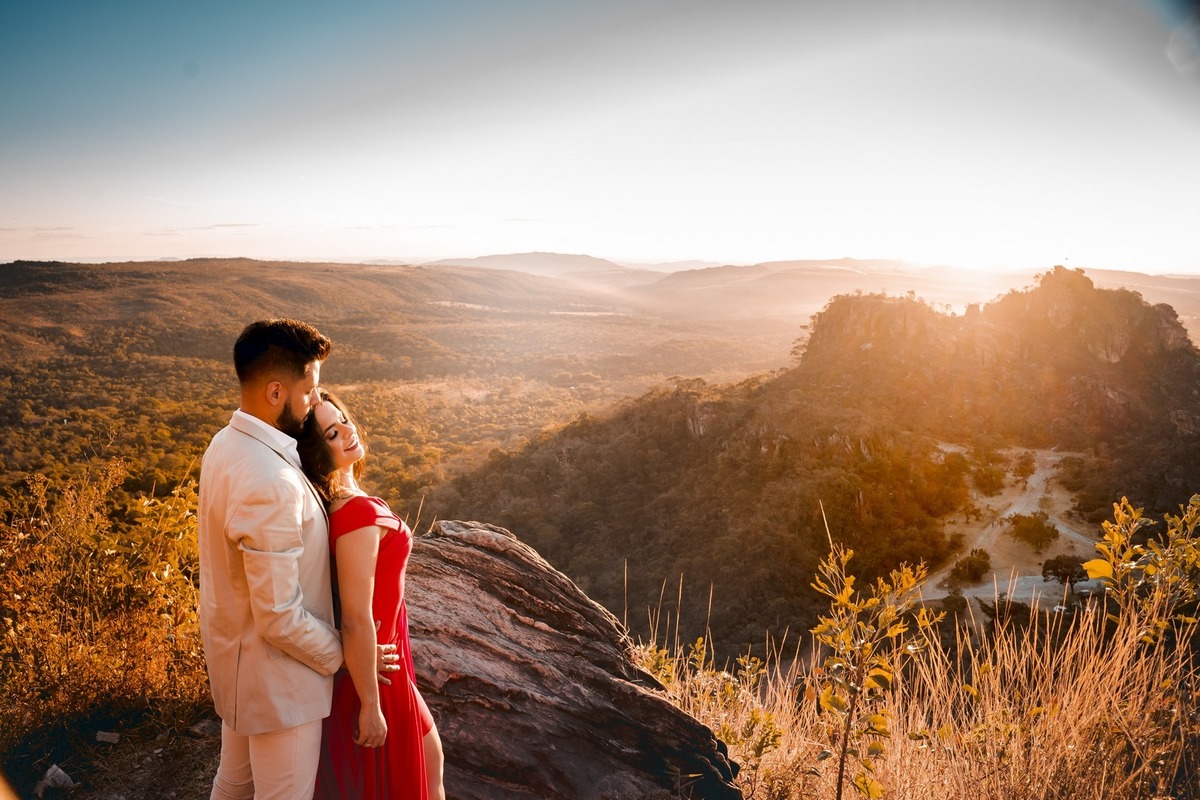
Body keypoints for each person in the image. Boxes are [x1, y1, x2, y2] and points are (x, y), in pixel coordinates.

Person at [198, 319, 400, 800]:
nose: (313, 402)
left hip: (237, 668)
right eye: (308, 391)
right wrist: (347, 658)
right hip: (280, 685)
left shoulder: (225, 445)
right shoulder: (271, 479)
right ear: (274, 392)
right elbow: (280, 617)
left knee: (235, 784)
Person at [298, 389, 446, 800]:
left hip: (391, 659)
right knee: (407, 781)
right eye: (330, 433)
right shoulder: (356, 517)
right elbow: (356, 616)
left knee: (430, 761)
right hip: (377, 672)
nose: (346, 431)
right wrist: (370, 704)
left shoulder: (349, 502)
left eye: (342, 419)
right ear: (315, 452)